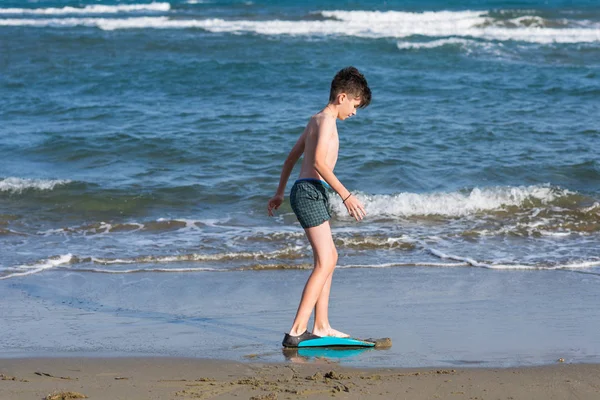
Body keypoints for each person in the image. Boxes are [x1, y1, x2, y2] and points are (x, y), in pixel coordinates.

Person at [267, 66, 372, 347]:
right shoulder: (327, 122)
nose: (354, 112)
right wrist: (346, 195)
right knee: (328, 260)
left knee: (327, 260)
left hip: (307, 191)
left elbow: (290, 160)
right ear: (342, 97)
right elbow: (318, 164)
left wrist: (279, 193)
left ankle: (322, 325)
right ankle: (297, 330)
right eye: (354, 105)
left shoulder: (315, 120)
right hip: (311, 191)